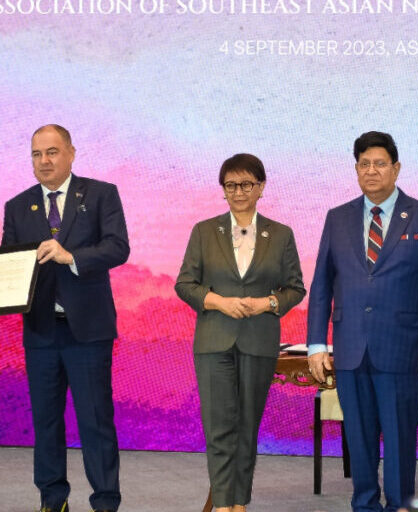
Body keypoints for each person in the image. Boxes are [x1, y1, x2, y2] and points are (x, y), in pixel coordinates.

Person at [307, 131, 418, 511]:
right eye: (364, 164)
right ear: (356, 169)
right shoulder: (337, 218)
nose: (371, 171)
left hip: (404, 351)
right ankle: (365, 505)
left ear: (396, 168)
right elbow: (322, 284)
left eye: (380, 163)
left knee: (401, 442)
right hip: (352, 349)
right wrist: (317, 345)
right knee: (359, 439)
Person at [2, 124, 129, 512]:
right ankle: (52, 499)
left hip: (88, 331)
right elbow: (10, 266)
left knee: (96, 422)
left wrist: (72, 257)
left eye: (53, 152)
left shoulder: (101, 193)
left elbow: (118, 247)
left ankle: (105, 501)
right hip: (40, 331)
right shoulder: (18, 206)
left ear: (72, 153)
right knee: (46, 423)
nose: (45, 161)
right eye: (37, 154)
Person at [174, 153, 306, 512]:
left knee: (246, 430)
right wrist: (217, 300)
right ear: (223, 190)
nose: (238, 191)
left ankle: (239, 504)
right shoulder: (204, 231)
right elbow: (185, 284)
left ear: (261, 187)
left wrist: (267, 303)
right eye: (230, 185)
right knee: (219, 429)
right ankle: (221, 505)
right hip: (214, 340)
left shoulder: (280, 234)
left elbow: (295, 288)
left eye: (246, 184)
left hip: (259, 341)